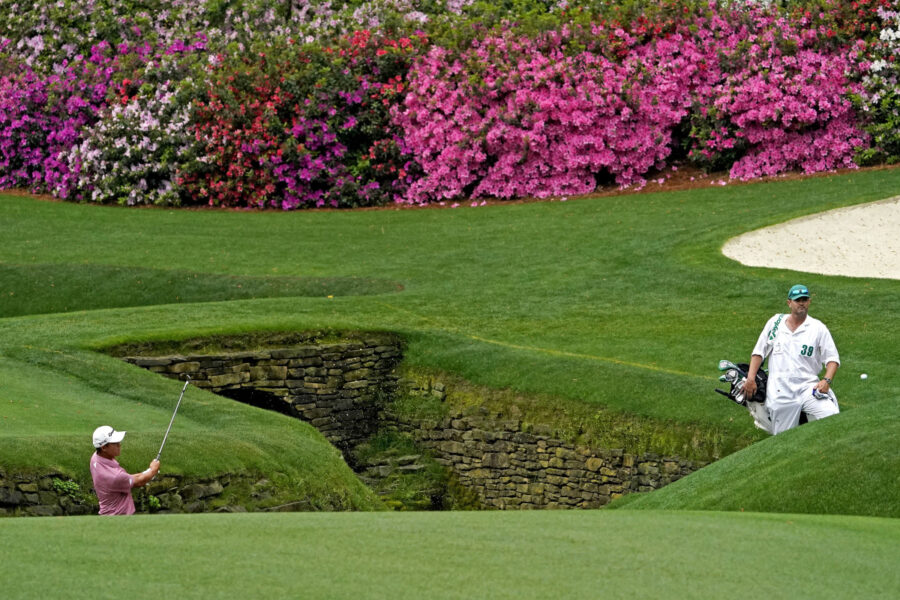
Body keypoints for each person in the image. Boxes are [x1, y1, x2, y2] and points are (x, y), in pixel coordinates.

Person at [742, 284, 840, 435]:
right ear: (789, 303)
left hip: (808, 387)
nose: (801, 303)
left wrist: (826, 381)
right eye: (797, 300)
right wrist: (750, 378)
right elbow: (758, 352)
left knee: (832, 416)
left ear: (809, 302)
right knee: (783, 438)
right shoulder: (775, 323)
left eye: (804, 299)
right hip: (780, 392)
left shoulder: (817, 328)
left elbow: (832, 359)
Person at [90, 425, 160, 515]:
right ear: (104, 448)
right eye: (115, 443)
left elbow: (129, 478)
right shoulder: (115, 477)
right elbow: (139, 482)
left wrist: (148, 471)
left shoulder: (95, 458)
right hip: (119, 518)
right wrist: (153, 470)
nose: (119, 445)